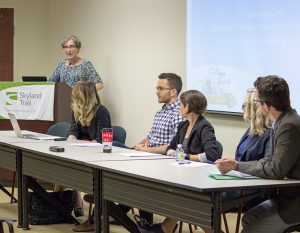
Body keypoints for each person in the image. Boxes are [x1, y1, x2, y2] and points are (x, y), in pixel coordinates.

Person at [216, 75, 300, 233]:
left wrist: (237, 166)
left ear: (266, 106)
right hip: (285, 197)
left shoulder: (289, 125)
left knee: (249, 230)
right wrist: (236, 165)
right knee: (248, 218)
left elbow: (275, 170)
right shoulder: (282, 121)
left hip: (294, 203)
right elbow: (268, 160)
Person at [138, 90, 219, 233]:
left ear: (189, 107)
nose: (179, 108)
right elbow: (170, 148)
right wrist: (175, 154)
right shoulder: (183, 125)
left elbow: (211, 154)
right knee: (180, 198)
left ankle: (165, 228)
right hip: (182, 174)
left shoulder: (204, 126)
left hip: (198, 177)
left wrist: (185, 157)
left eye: (181, 104)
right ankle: (165, 228)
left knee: (185, 199)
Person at [201, 88, 271, 233]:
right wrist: (229, 163)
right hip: (236, 180)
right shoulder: (251, 130)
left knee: (205, 204)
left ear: (255, 107)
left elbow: (265, 164)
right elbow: (241, 159)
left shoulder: (270, 133)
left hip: (254, 186)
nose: (242, 108)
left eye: (245, 104)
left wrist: (236, 166)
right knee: (198, 199)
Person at [66, 81, 110, 226]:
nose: (72, 98)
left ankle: (66, 206)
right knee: (62, 166)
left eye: (75, 95)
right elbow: (73, 131)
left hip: (97, 155)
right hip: (82, 151)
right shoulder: (76, 109)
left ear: (83, 96)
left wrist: (81, 145)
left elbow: (100, 140)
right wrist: (70, 140)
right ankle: (60, 208)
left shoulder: (101, 111)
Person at [134, 72, 184, 154]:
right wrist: (136, 147)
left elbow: (175, 146)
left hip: (161, 158)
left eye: (160, 89)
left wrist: (147, 150)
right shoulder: (160, 112)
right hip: (147, 153)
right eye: (157, 88)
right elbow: (150, 137)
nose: (157, 92)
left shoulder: (179, 113)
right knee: (116, 145)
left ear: (173, 92)